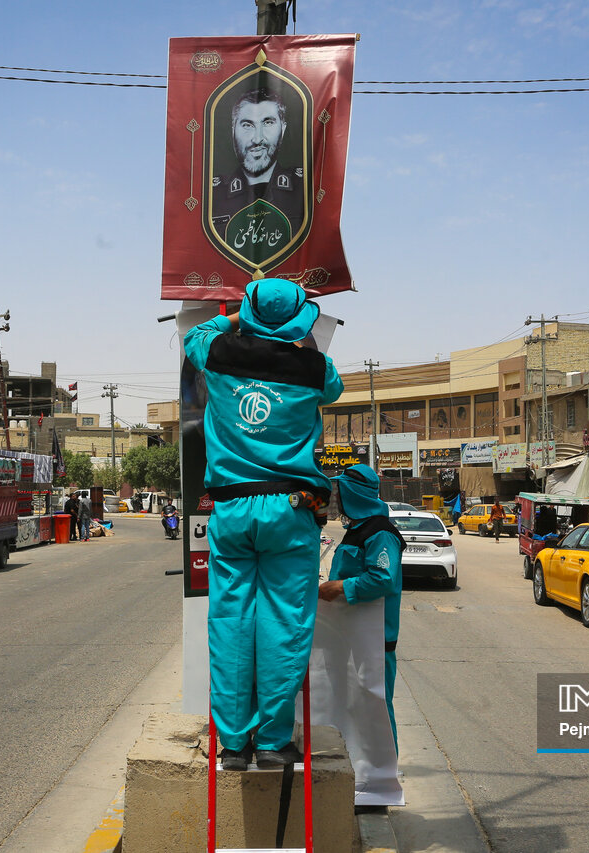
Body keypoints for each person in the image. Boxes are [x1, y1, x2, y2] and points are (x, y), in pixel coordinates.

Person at [183, 278, 343, 771]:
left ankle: (233, 744)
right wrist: (297, 334)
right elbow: (334, 388)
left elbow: (195, 335)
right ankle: (272, 742)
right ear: (299, 319)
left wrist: (239, 316)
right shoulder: (315, 368)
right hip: (289, 511)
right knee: (284, 623)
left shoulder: (217, 352)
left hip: (231, 510)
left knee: (230, 622)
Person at [318, 464, 404, 750]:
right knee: (356, 705)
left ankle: (387, 768)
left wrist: (339, 588)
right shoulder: (357, 528)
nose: (336, 496)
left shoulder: (380, 533)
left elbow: (383, 578)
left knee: (376, 706)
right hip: (353, 634)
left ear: (353, 493)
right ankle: (363, 762)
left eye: (340, 490)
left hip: (375, 641)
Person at [209, 89, 305, 250]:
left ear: (283, 129)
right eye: (247, 125)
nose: (257, 139)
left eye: (268, 123)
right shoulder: (209, 196)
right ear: (233, 130)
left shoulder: (306, 189)